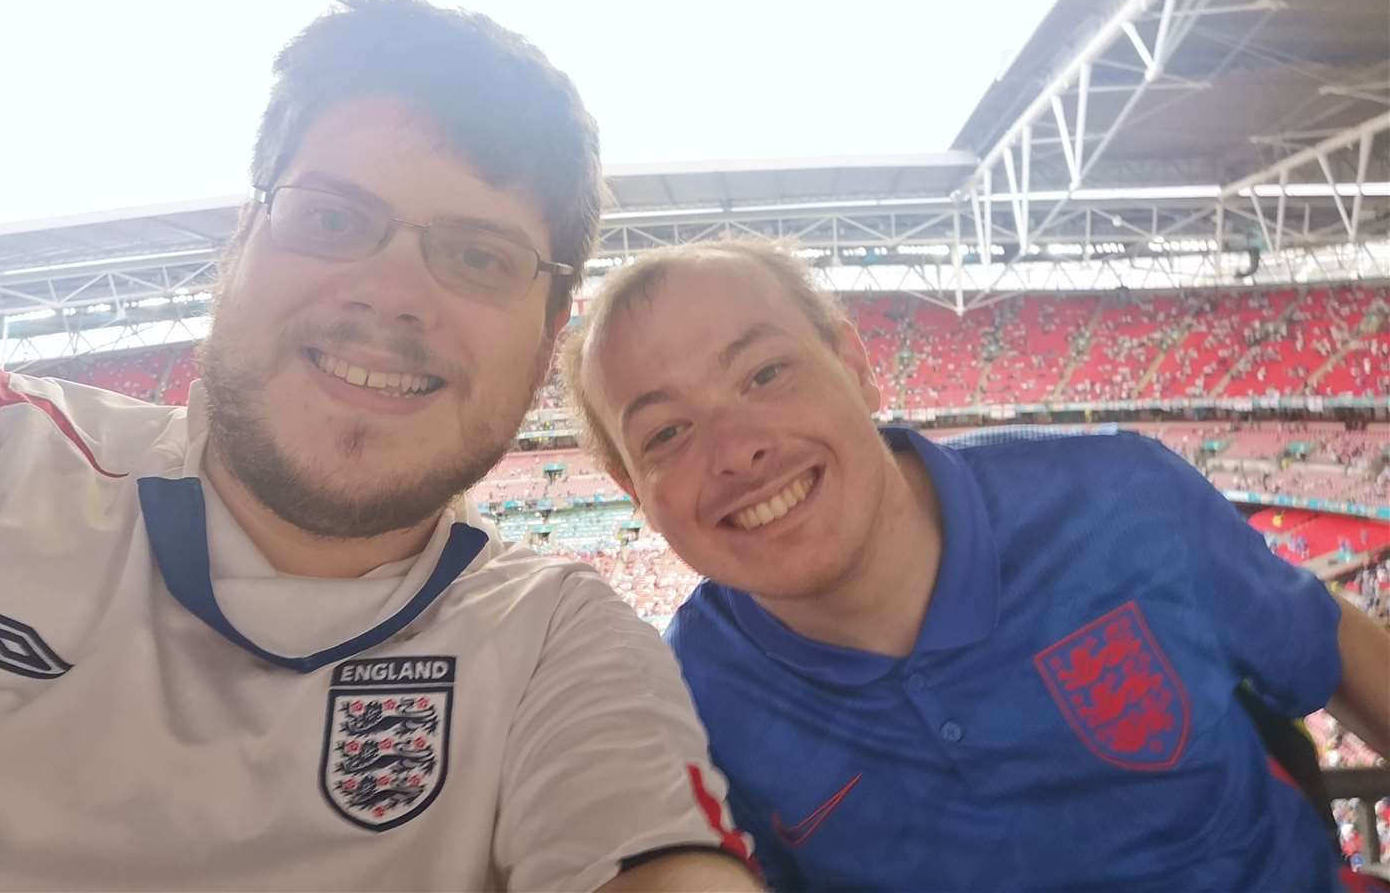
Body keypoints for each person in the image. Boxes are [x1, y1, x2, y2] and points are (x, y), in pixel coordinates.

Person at [0, 0, 759, 893]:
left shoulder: (555, 643)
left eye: (478, 257)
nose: (391, 293)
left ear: (544, 340)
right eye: (333, 218)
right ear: (243, 238)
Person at [562, 239, 1390, 892]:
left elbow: (1326, 645)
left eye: (766, 372)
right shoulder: (686, 701)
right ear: (633, 488)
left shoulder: (1120, 496)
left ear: (856, 368)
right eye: (667, 433)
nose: (737, 450)